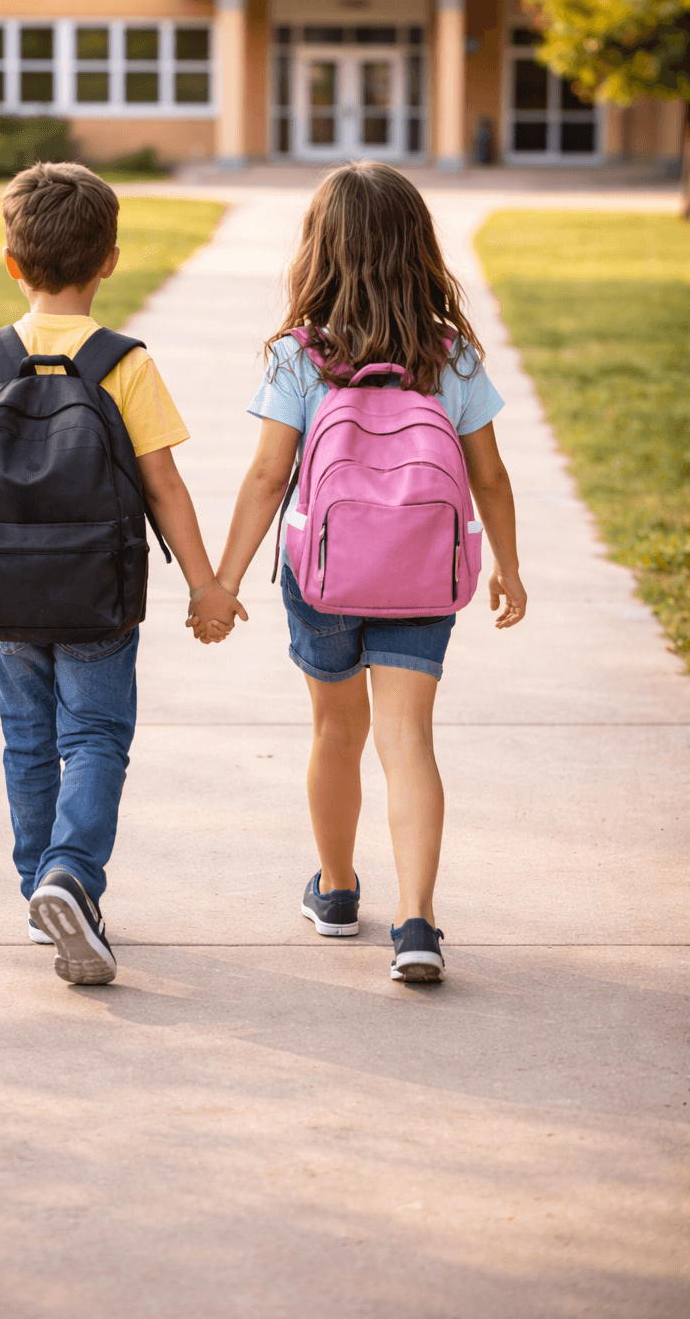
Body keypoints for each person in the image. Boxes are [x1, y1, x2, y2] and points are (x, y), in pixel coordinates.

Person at [0, 162, 243, 985]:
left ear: (12, 264)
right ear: (110, 261)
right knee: (94, 737)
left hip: (2, 592)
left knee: (28, 740)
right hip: (97, 595)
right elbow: (164, 487)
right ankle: (71, 877)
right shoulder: (125, 363)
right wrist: (206, 586)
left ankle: (38, 895)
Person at [200, 161, 527, 983]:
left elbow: (268, 477)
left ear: (320, 250)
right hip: (421, 575)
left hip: (325, 579)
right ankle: (417, 923)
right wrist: (508, 567)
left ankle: (338, 891)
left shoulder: (299, 357)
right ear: (419, 250)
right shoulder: (450, 356)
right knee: (408, 740)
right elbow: (489, 477)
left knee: (335, 733)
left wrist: (223, 583)